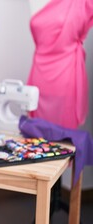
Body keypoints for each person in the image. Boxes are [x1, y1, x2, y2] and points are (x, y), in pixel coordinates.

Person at [27, 0, 93, 129]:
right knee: (38, 137)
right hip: (39, 74)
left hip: (65, 74)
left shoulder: (80, 2)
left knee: (64, 135)